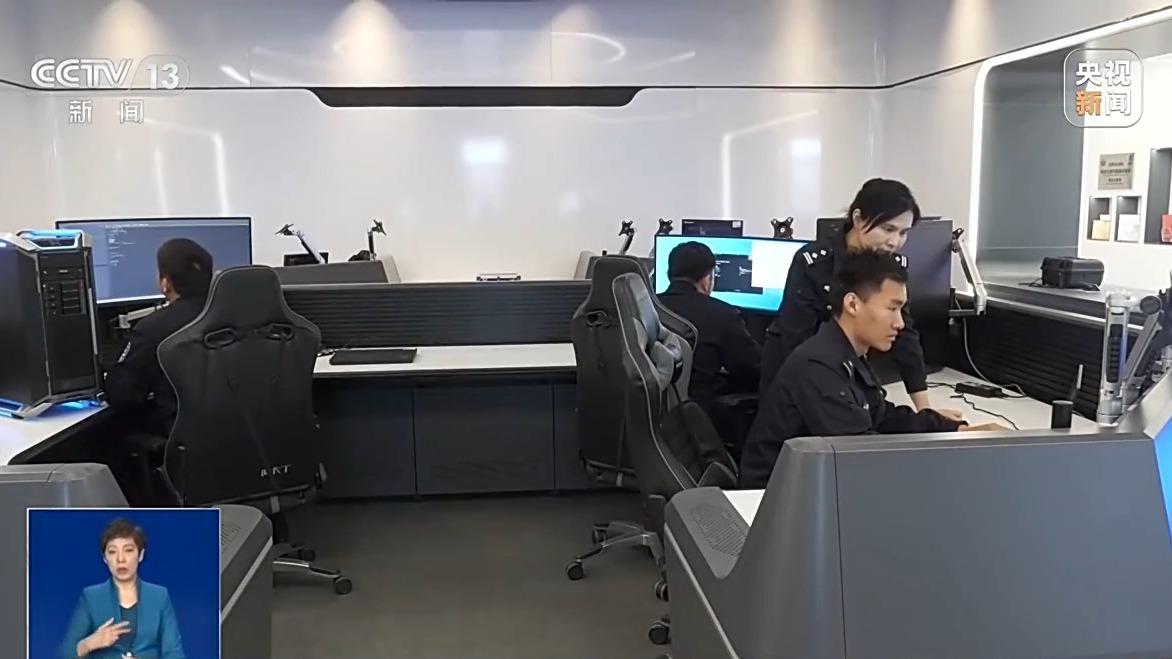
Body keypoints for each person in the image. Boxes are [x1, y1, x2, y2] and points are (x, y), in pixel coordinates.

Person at [739, 249, 1005, 489]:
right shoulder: (818, 366)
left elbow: (883, 417)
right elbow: (863, 454)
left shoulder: (848, 354)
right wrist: (949, 454)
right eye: (892, 308)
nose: (900, 323)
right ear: (853, 304)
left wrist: (955, 431)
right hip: (772, 498)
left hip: (814, 486)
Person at [759, 178, 960, 420]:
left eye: (903, 232)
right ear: (858, 219)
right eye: (887, 229)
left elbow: (905, 335)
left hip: (844, 374)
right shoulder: (813, 262)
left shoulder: (889, 266)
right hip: (796, 372)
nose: (895, 242)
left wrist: (925, 409)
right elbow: (797, 338)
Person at [103, 238, 213, 437]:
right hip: (247, 442)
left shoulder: (153, 329)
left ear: (165, 282)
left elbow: (123, 394)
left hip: (186, 444)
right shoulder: (240, 317)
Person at [59, 518, 186, 659]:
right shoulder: (91, 597)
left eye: (128, 550)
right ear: (104, 558)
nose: (120, 559)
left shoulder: (159, 596)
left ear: (141, 555)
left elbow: (175, 654)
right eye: (112, 552)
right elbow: (64, 654)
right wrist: (90, 643)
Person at [657, 241, 761, 404]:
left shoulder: (645, 306)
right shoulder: (723, 314)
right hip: (700, 411)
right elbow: (751, 367)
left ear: (669, 274)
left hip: (651, 407)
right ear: (707, 280)